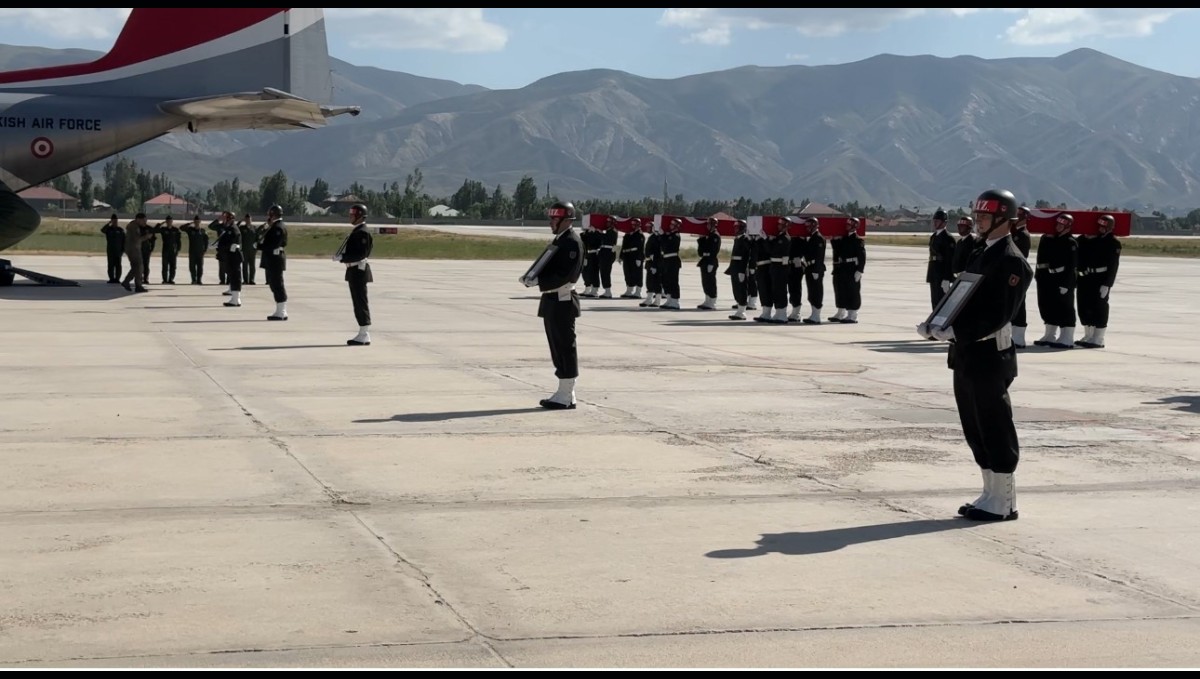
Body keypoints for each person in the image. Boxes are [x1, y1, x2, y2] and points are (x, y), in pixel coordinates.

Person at [917, 188, 1033, 522]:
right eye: (978, 215)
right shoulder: (981, 252)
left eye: (984, 216)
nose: (978, 221)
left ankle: (1004, 501)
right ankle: (990, 492)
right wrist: (937, 323)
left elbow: (998, 315)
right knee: (974, 425)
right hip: (967, 353)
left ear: (1002, 219)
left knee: (994, 425)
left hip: (989, 354)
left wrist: (955, 331)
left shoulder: (1011, 260)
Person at [519, 201, 584, 410]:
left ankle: (566, 394)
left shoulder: (572, 242)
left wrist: (538, 281)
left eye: (554, 219)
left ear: (567, 220)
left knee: (565, 346)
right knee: (557, 346)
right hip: (553, 299)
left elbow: (565, 274)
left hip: (562, 299)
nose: (550, 222)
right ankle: (566, 393)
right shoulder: (561, 240)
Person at [1032, 213, 1079, 349]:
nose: (1058, 227)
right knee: (1048, 306)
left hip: (1062, 278)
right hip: (1049, 277)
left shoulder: (1070, 242)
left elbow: (1072, 266)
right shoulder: (1053, 239)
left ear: (1068, 227)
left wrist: (1066, 284)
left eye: (1061, 225)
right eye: (1057, 224)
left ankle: (1067, 336)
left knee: (1065, 307)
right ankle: (1050, 334)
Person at [1075, 213, 1122, 349]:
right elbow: (1081, 244)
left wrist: (1107, 284)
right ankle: (1089, 335)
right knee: (1085, 306)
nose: (1101, 228)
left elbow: (1114, 265)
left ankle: (1099, 337)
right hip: (1087, 277)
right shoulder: (1094, 239)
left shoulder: (1113, 242)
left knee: (1099, 307)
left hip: (1101, 279)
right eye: (1099, 226)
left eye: (1104, 226)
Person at [334, 203, 374, 345]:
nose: (350, 217)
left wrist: (343, 257)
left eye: (352, 215)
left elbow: (360, 254)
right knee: (357, 302)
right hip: (354, 270)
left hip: (358, 271)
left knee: (360, 301)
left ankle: (364, 333)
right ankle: (362, 332)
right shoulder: (357, 231)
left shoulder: (362, 232)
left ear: (359, 216)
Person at [828, 217, 865, 323]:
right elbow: (837, 249)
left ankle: (853, 315)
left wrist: (860, 270)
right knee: (841, 290)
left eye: (849, 225)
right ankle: (841, 312)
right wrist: (834, 239)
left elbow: (862, 256)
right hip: (843, 267)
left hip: (852, 268)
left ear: (854, 226)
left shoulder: (858, 240)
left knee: (852, 291)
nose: (846, 226)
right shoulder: (844, 239)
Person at [259, 204, 289, 321]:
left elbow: (272, 244)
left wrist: (260, 246)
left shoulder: (278, 227)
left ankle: (282, 311)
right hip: (273, 259)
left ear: (272, 214)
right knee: (274, 283)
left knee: (277, 284)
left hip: (275, 259)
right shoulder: (275, 226)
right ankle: (280, 309)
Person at [1009, 206, 1033, 347]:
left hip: (1018, 274)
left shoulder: (1023, 235)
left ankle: (1019, 338)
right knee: (1013, 305)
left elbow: (1020, 258)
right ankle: (1014, 336)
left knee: (1019, 305)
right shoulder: (1014, 233)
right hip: (1012, 273)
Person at [926, 209, 956, 310]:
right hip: (933, 272)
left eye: (937, 221)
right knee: (934, 300)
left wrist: (947, 278)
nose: (935, 223)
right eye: (934, 221)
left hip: (942, 274)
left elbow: (949, 260)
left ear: (944, 222)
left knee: (941, 302)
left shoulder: (948, 238)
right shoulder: (934, 236)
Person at [800, 217, 827, 324]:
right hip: (809, 267)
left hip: (815, 268)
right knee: (811, 292)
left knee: (816, 291)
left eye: (808, 226)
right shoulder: (812, 238)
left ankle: (817, 316)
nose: (807, 228)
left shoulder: (819, 238)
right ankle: (814, 314)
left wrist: (816, 269)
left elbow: (819, 256)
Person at [213, 211, 244, 307]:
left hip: (234, 256)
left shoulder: (233, 229)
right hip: (230, 256)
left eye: (226, 218)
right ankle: (234, 298)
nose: (224, 220)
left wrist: (220, 246)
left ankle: (236, 299)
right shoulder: (229, 228)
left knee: (235, 277)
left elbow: (231, 242)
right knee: (232, 276)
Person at [725, 219, 751, 320]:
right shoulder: (738, 239)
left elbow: (746, 256)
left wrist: (742, 270)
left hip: (741, 266)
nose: (735, 229)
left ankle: (742, 312)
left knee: (741, 289)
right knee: (736, 288)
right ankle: (739, 310)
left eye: (737, 227)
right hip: (735, 266)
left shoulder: (745, 239)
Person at [120, 213, 151, 293]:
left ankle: (137, 285)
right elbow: (137, 239)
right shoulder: (134, 227)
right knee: (138, 267)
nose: (145, 222)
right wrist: (146, 237)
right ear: (138, 219)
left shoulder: (133, 226)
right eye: (143, 221)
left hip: (133, 248)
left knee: (138, 267)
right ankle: (128, 282)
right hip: (133, 249)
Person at [696, 217, 722, 310]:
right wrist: (701, 240)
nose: (707, 226)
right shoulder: (709, 235)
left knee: (711, 282)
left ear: (713, 225)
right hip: (705, 260)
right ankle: (707, 300)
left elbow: (714, 250)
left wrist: (711, 263)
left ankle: (712, 302)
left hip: (711, 260)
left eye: (709, 224)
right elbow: (701, 252)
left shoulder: (715, 236)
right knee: (705, 281)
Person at [657, 218, 682, 309]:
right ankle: (669, 299)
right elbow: (663, 244)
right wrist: (661, 235)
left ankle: (675, 301)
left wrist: (662, 235)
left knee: (673, 281)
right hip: (666, 260)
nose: (670, 226)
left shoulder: (675, 235)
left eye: (672, 224)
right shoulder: (670, 235)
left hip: (673, 260)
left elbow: (667, 244)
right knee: (665, 280)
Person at [618, 218, 644, 298]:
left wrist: (639, 258)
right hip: (627, 255)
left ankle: (638, 292)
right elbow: (624, 245)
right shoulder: (628, 234)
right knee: (628, 273)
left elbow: (641, 247)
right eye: (632, 224)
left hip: (635, 255)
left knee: (637, 274)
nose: (633, 226)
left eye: (634, 224)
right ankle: (629, 290)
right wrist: (621, 256)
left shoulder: (640, 235)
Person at [181, 215, 209, 284]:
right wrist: (190, 223)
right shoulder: (190, 230)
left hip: (200, 252)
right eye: (195, 221)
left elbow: (206, 241)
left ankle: (199, 280)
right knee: (192, 267)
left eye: (198, 221)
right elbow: (181, 228)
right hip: (192, 252)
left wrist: (205, 249)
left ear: (200, 222)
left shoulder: (202, 231)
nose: (197, 223)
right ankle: (193, 279)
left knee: (200, 267)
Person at [155, 216, 181, 284]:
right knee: (165, 266)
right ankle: (165, 280)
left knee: (173, 266)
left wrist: (178, 249)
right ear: (166, 222)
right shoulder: (163, 229)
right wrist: (160, 224)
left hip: (173, 250)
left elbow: (178, 241)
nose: (169, 222)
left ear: (172, 222)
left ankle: (171, 279)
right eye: (168, 221)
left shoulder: (175, 230)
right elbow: (154, 230)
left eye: (170, 221)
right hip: (165, 250)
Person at [597, 216, 618, 299]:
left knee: (606, 272)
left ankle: (608, 291)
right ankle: (606, 290)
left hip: (608, 253)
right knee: (603, 272)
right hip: (604, 252)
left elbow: (607, 239)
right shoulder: (608, 231)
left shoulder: (613, 231)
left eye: (609, 222)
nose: (607, 223)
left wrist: (600, 233)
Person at [101, 213, 124, 284]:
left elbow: (124, 240)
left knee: (118, 265)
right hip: (110, 250)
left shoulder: (120, 230)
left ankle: (117, 278)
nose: (115, 222)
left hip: (118, 250)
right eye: (113, 221)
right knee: (110, 265)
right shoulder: (108, 229)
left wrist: (123, 250)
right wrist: (109, 223)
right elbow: (102, 230)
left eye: (116, 221)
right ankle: (111, 278)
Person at [240, 215, 259, 285]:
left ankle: (251, 279)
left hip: (252, 250)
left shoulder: (255, 228)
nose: (248, 221)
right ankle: (245, 280)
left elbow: (257, 239)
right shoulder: (241, 228)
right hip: (244, 250)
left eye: (249, 220)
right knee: (244, 265)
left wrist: (257, 248)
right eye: (247, 220)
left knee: (252, 266)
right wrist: (240, 221)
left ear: (251, 220)